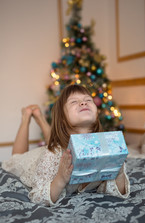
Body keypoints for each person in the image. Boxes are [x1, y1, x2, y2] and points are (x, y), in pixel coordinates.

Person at [2, 85, 130, 206]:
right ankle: (26, 118)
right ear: (62, 118)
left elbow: (113, 190)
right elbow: (38, 197)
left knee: (55, 143)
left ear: (96, 114)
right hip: (34, 161)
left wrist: (118, 174)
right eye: (74, 102)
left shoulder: (106, 149)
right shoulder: (51, 155)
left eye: (88, 100)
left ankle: (40, 118)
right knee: (16, 158)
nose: (83, 103)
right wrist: (60, 179)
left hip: (54, 148)